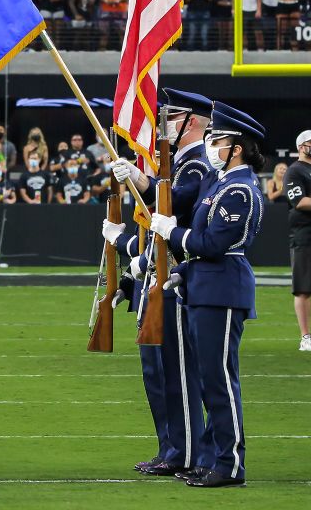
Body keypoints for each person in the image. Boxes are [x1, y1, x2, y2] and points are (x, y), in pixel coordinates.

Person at [146, 102, 267, 488]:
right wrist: (183, 271)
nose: (212, 145)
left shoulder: (239, 190)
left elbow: (213, 243)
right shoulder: (220, 184)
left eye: (220, 140)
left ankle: (230, 464)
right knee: (207, 379)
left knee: (218, 380)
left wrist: (171, 233)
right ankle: (213, 457)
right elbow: (202, 248)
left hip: (222, 288)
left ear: (239, 148)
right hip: (204, 285)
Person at [104, 89, 213, 478]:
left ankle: (185, 451)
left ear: (193, 122)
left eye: (173, 117)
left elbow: (178, 205)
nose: (163, 124)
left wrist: (141, 180)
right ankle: (171, 447)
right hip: (153, 278)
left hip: (175, 284)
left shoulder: (196, 166)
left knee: (178, 373)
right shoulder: (176, 166)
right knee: (157, 374)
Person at [285, 130, 311, 352]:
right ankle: (305, 337)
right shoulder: (295, 170)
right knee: (303, 288)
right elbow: (298, 201)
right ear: (301, 147)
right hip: (305, 234)